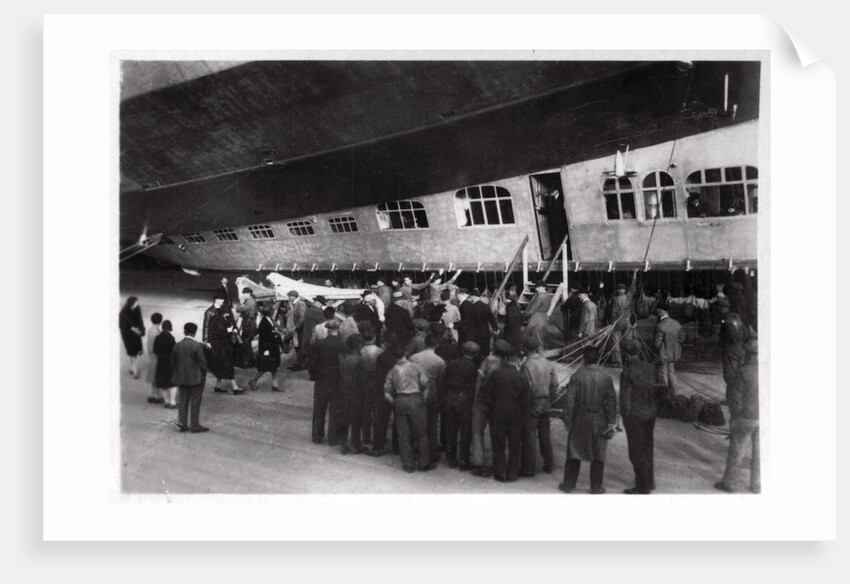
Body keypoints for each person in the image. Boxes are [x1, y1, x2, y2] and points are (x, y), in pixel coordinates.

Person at [558, 345, 618, 494]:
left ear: (584, 359)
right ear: (598, 359)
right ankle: (596, 487)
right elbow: (611, 402)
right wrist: (611, 422)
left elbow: (570, 401)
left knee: (574, 451)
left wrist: (567, 420)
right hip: (600, 419)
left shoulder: (577, 376)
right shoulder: (606, 378)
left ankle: (568, 485)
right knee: (598, 453)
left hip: (580, 418)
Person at [480, 342, 532, 482]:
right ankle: (512, 473)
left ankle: (500, 472)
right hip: (515, 415)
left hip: (497, 412)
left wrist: (492, 408)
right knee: (515, 445)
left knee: (498, 444)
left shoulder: (496, 374)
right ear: (519, 360)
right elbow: (526, 402)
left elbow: (486, 394)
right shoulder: (522, 378)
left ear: (506, 359)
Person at [715, 337, 760, 494]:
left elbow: (735, 399)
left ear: (748, 354)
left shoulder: (743, 372)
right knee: (760, 453)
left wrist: (734, 419)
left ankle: (729, 482)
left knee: (736, 451)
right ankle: (757, 484)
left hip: (745, 418)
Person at [383, 344, 434, 473]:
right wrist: (423, 400)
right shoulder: (416, 367)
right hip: (416, 399)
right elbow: (426, 385)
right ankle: (424, 463)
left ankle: (408, 464)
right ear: (405, 353)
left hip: (400, 400)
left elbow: (387, 393)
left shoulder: (392, 371)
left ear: (394, 357)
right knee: (421, 433)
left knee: (403, 435)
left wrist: (395, 403)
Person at [619, 339, 657, 494]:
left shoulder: (627, 372)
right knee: (648, 447)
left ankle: (642, 486)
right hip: (650, 414)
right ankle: (650, 480)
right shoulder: (650, 368)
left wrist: (624, 415)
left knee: (636, 452)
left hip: (635, 416)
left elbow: (625, 398)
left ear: (626, 354)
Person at [519, 336, 558, 476]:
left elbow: (525, 388)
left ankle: (529, 468)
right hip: (545, 403)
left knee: (529, 437)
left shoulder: (526, 366)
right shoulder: (548, 363)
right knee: (545, 436)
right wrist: (549, 398)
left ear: (525, 349)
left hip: (532, 404)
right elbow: (555, 385)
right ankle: (549, 463)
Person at [409, 334, 447, 464]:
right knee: (431, 424)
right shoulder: (440, 361)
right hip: (432, 392)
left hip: (415, 390)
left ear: (425, 343)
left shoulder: (413, 358)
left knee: (415, 422)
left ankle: (415, 450)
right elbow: (441, 381)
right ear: (436, 345)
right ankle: (431, 453)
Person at [443, 341, 480, 470]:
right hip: (464, 400)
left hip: (450, 396)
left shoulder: (452, 363)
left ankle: (451, 458)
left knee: (451, 429)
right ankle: (464, 460)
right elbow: (474, 387)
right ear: (475, 354)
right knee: (466, 431)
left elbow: (444, 379)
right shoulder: (473, 368)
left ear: (463, 351)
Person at [469, 342, 504, 477]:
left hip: (483, 400)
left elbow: (479, 378)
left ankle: (479, 463)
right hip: (498, 402)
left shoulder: (489, 360)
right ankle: (498, 464)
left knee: (477, 431)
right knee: (497, 433)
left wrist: (476, 398)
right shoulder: (505, 364)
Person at [307, 319, 343, 444]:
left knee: (319, 408)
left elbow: (312, 363)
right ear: (338, 330)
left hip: (322, 378)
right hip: (337, 379)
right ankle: (333, 437)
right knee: (335, 408)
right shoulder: (342, 344)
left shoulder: (319, 344)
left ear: (327, 330)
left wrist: (314, 376)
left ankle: (317, 435)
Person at [203, 290, 244, 395]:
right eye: (221, 299)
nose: (223, 301)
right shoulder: (209, 312)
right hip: (216, 342)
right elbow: (206, 327)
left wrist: (233, 328)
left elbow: (230, 321)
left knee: (221, 363)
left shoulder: (222, 309)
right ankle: (235, 387)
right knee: (227, 362)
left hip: (225, 340)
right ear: (216, 300)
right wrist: (206, 341)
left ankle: (218, 386)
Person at [170, 322, 209, 433]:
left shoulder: (177, 345)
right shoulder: (196, 346)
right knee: (195, 401)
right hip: (196, 378)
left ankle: (182, 424)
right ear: (195, 332)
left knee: (183, 400)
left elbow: (172, 363)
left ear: (184, 331)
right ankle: (195, 426)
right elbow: (203, 363)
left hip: (182, 378)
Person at [367, 331, 399, 457]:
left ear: (385, 343)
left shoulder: (383, 356)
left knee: (380, 420)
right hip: (399, 390)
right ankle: (397, 448)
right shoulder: (401, 354)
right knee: (398, 421)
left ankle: (378, 447)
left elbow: (379, 376)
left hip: (384, 391)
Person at [336, 333, 365, 455]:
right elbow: (362, 377)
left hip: (342, 390)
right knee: (356, 419)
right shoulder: (359, 359)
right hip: (356, 391)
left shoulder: (341, 356)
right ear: (358, 346)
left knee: (344, 417)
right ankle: (355, 444)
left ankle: (343, 444)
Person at [248, 304, 284, 392]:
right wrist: (266, 350)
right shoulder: (264, 323)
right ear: (270, 312)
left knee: (274, 367)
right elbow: (264, 338)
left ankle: (275, 385)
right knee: (264, 368)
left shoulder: (269, 320)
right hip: (268, 349)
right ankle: (253, 381)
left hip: (273, 347)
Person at [607, 271, 639, 366]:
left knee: (615, 341)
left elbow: (613, 312)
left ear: (618, 290)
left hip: (618, 322)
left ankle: (618, 361)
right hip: (628, 322)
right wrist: (634, 275)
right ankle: (629, 359)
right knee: (628, 341)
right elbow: (633, 287)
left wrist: (612, 321)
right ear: (625, 290)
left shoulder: (615, 299)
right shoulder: (628, 296)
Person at [653, 308, 685, 397]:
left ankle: (665, 396)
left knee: (663, 374)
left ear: (661, 312)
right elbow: (682, 338)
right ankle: (674, 394)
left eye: (658, 312)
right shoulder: (677, 323)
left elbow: (656, 343)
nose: (657, 314)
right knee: (671, 373)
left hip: (663, 354)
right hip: (674, 354)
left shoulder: (660, 325)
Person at [153, 320, 178, 409]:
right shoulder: (171, 338)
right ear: (170, 327)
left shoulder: (158, 337)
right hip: (169, 362)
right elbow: (174, 351)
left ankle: (166, 400)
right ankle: (172, 401)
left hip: (160, 361)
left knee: (162, 382)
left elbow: (155, 350)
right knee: (172, 383)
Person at [119, 296, 145, 378]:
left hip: (136, 334)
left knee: (136, 351)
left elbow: (140, 320)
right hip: (128, 335)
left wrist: (141, 329)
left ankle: (132, 366)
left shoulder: (137, 309)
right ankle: (134, 369)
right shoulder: (123, 313)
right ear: (132, 304)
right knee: (132, 351)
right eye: (136, 302)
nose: (138, 303)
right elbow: (122, 326)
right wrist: (133, 329)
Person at [234, 287, 258, 368]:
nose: (243, 295)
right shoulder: (248, 300)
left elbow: (238, 310)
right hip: (248, 323)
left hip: (249, 324)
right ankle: (249, 359)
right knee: (246, 341)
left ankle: (251, 360)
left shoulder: (250, 302)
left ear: (248, 294)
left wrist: (241, 303)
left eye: (244, 293)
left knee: (246, 342)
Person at [523, 281, 552, 347]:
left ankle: (519, 348)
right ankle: (540, 351)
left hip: (536, 316)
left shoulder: (540, 297)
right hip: (544, 316)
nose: (536, 289)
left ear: (543, 287)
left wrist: (523, 316)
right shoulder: (548, 295)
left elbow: (532, 310)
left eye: (538, 287)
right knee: (540, 334)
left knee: (527, 332)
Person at [145, 312, 164, 404]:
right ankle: (156, 396)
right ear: (160, 321)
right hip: (156, 355)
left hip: (151, 355)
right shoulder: (157, 332)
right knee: (156, 377)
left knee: (153, 377)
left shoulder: (150, 330)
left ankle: (152, 395)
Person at [286, 290, 307, 371]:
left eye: (289, 296)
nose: (288, 298)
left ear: (293, 296)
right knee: (297, 347)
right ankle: (298, 363)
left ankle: (299, 365)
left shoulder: (300, 303)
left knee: (299, 347)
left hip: (299, 329)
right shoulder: (295, 304)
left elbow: (302, 317)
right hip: (297, 329)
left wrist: (296, 326)